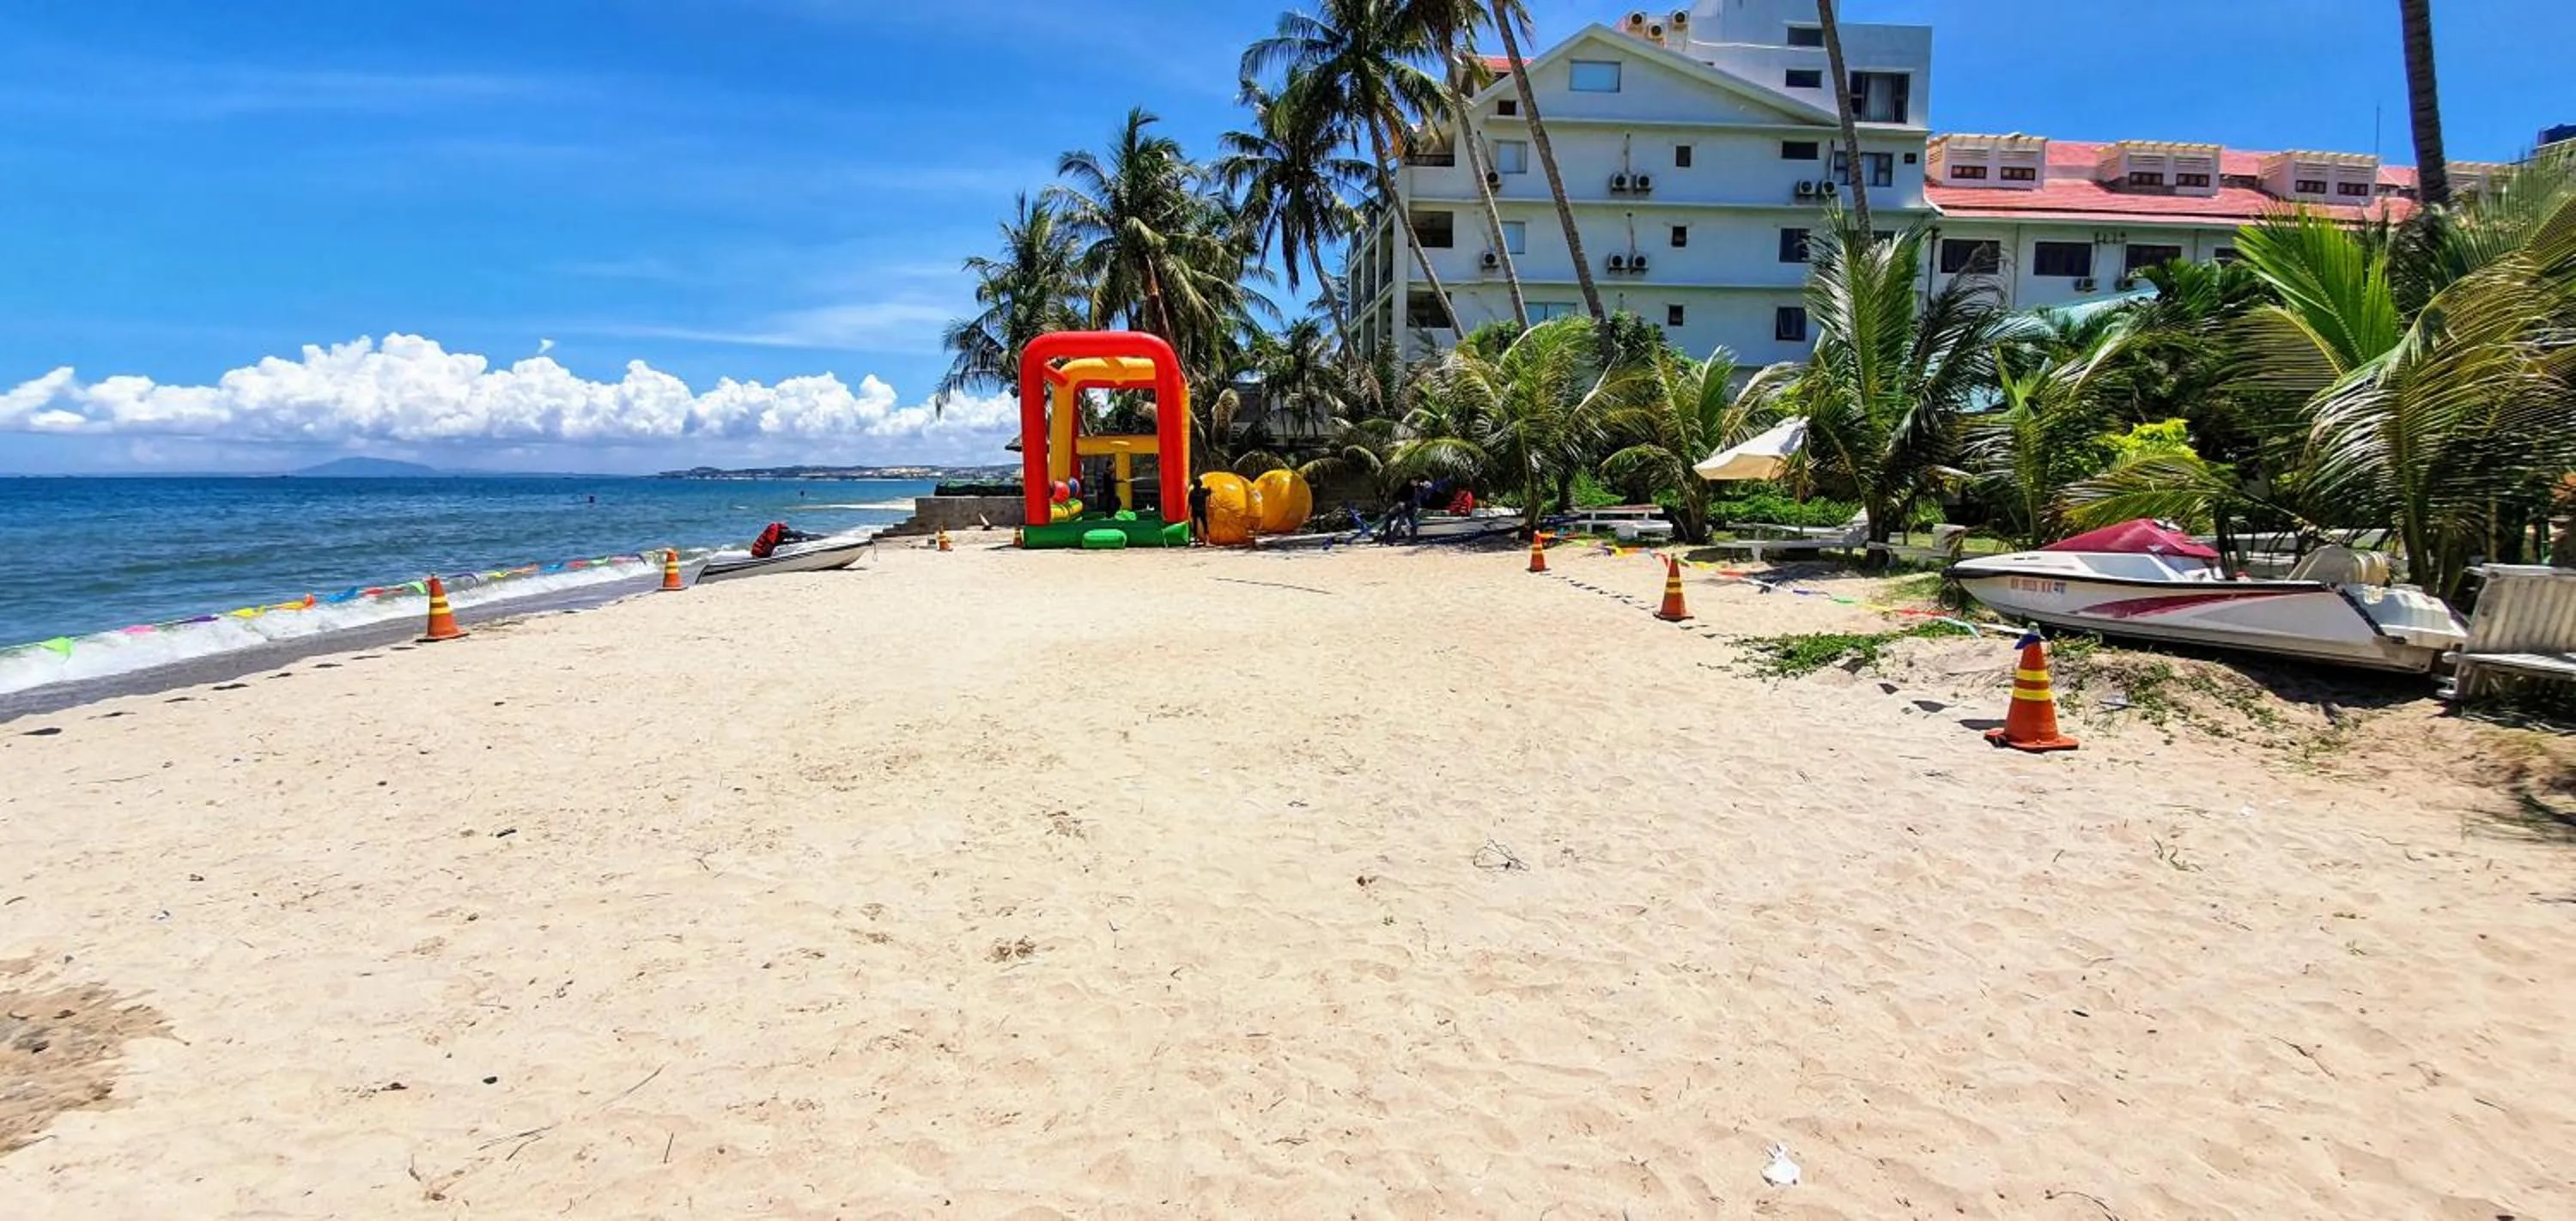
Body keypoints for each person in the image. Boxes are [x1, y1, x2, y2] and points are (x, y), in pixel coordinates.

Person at [750, 520, 822, 558]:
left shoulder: (777, 532)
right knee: (797, 535)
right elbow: (770, 542)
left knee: (797, 538)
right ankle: (818, 538)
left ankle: (817, 538)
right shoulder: (775, 528)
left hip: (759, 552)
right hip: (760, 553)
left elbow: (774, 542)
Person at [1188, 480, 1213, 545]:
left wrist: (1188, 512)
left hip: (1195, 511)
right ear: (1201, 484)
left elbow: (1189, 503)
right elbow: (1210, 492)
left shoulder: (1192, 492)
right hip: (1202, 510)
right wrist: (1210, 489)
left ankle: (1196, 541)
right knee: (1205, 525)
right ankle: (1207, 541)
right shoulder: (1203, 490)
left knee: (1195, 526)